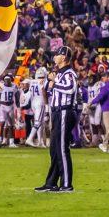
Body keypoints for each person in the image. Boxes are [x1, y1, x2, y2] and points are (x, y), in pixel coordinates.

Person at [37, 46, 78, 192]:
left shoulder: (69, 73)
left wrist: (55, 82)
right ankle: (51, 182)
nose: (54, 57)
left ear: (64, 58)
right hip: (56, 112)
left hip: (65, 111)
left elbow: (70, 89)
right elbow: (48, 90)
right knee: (54, 149)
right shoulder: (58, 73)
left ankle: (67, 184)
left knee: (61, 148)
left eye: (57, 55)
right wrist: (49, 82)